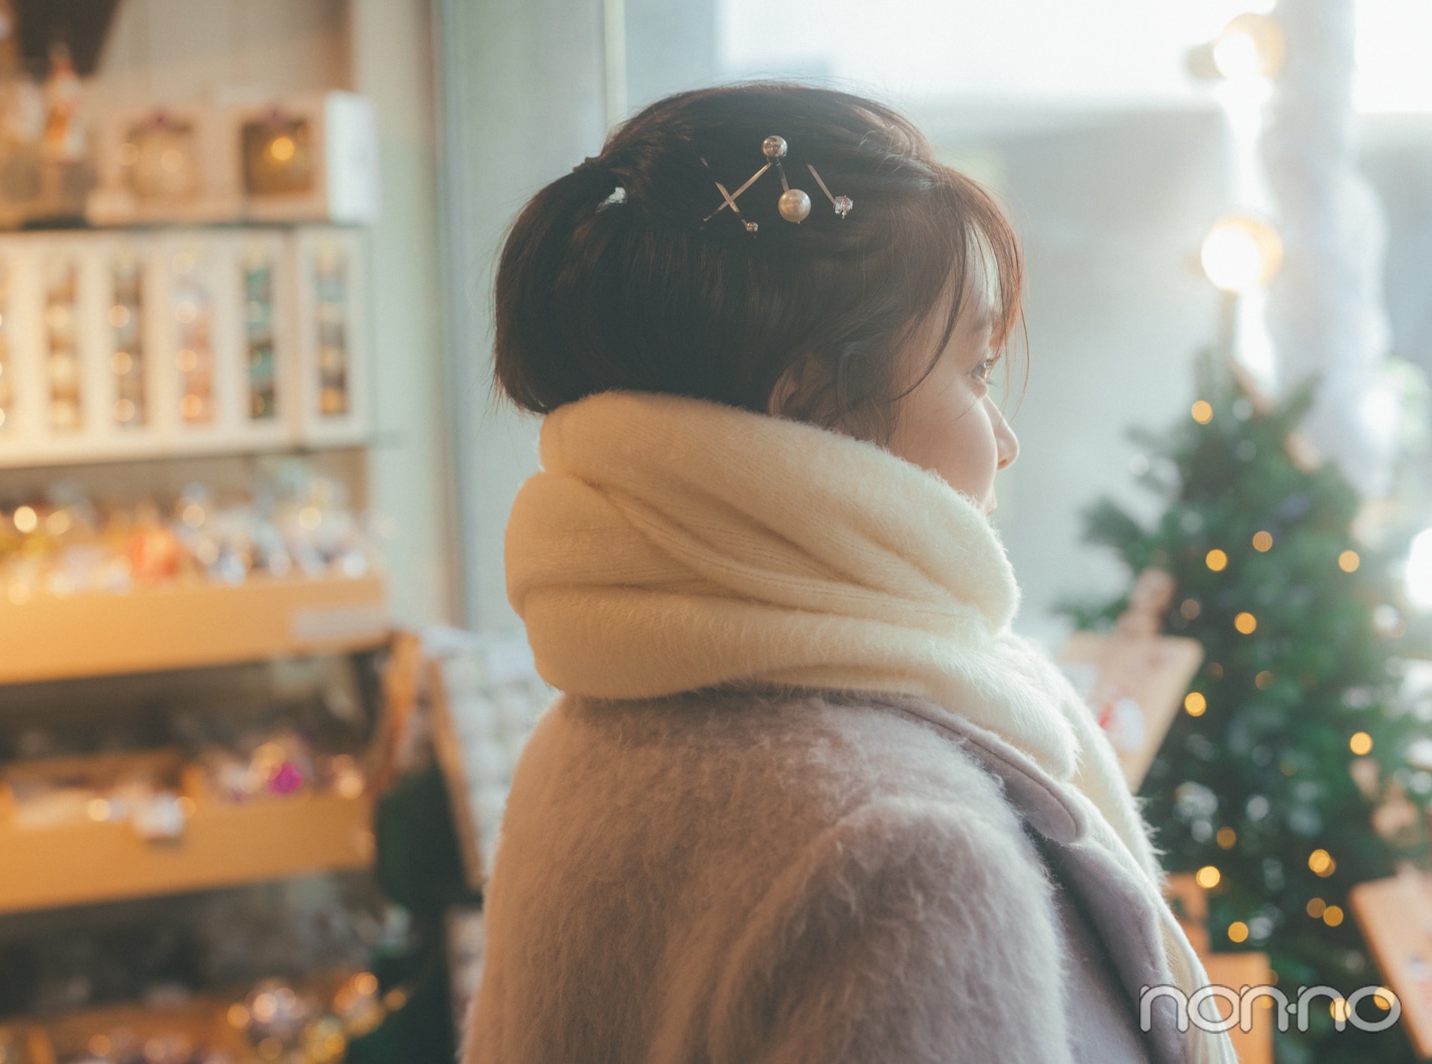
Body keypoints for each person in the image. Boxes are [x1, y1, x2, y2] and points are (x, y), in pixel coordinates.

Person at [463, 83, 1236, 1064]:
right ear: (810, 411)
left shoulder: (585, 736)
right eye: (976, 370)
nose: (1003, 442)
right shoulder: (906, 858)